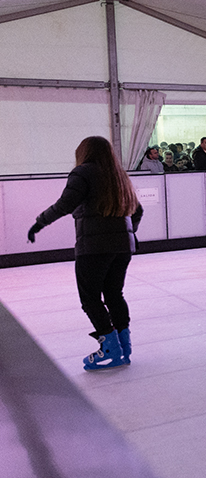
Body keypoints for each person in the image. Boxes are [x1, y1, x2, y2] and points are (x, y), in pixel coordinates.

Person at [27, 136, 143, 369]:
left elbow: (65, 204)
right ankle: (124, 346)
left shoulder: (83, 173)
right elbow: (137, 210)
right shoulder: (118, 174)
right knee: (114, 294)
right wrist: (127, 233)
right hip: (123, 247)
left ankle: (109, 348)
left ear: (84, 152)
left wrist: (39, 223)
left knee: (90, 298)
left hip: (94, 248)